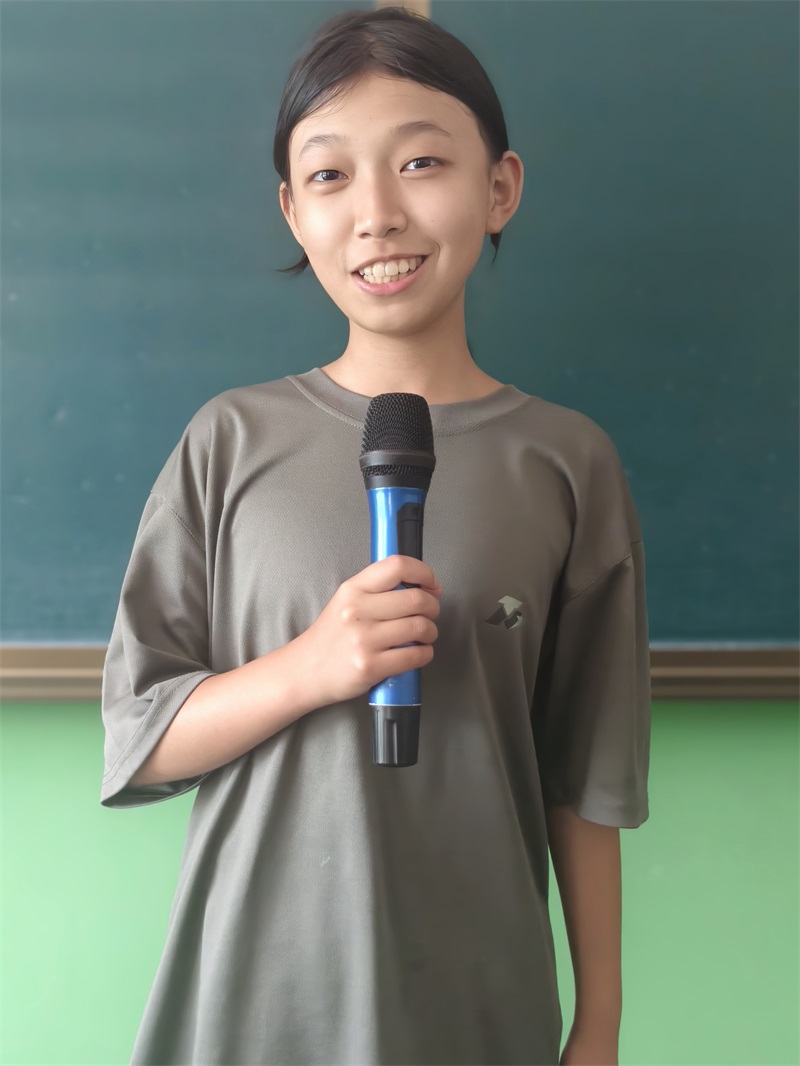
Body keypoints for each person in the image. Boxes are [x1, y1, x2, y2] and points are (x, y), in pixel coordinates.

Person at [100, 7, 651, 1065]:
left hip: (474, 1005)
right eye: (330, 175)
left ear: (500, 187)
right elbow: (140, 735)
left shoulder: (565, 460)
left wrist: (600, 1024)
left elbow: (586, 777)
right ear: (291, 211)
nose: (378, 215)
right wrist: (312, 665)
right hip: (251, 1003)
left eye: (421, 162)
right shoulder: (229, 440)